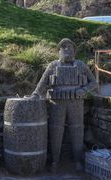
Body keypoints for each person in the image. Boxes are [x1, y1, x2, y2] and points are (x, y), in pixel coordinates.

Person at [31, 38, 97, 172]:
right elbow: (42, 83)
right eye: (63, 47)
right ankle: (55, 161)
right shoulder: (53, 65)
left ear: (74, 50)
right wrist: (35, 94)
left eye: (70, 47)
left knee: (77, 130)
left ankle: (78, 161)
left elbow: (94, 82)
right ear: (59, 50)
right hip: (57, 103)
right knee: (56, 130)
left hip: (76, 102)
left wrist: (83, 90)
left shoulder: (80, 65)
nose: (67, 49)